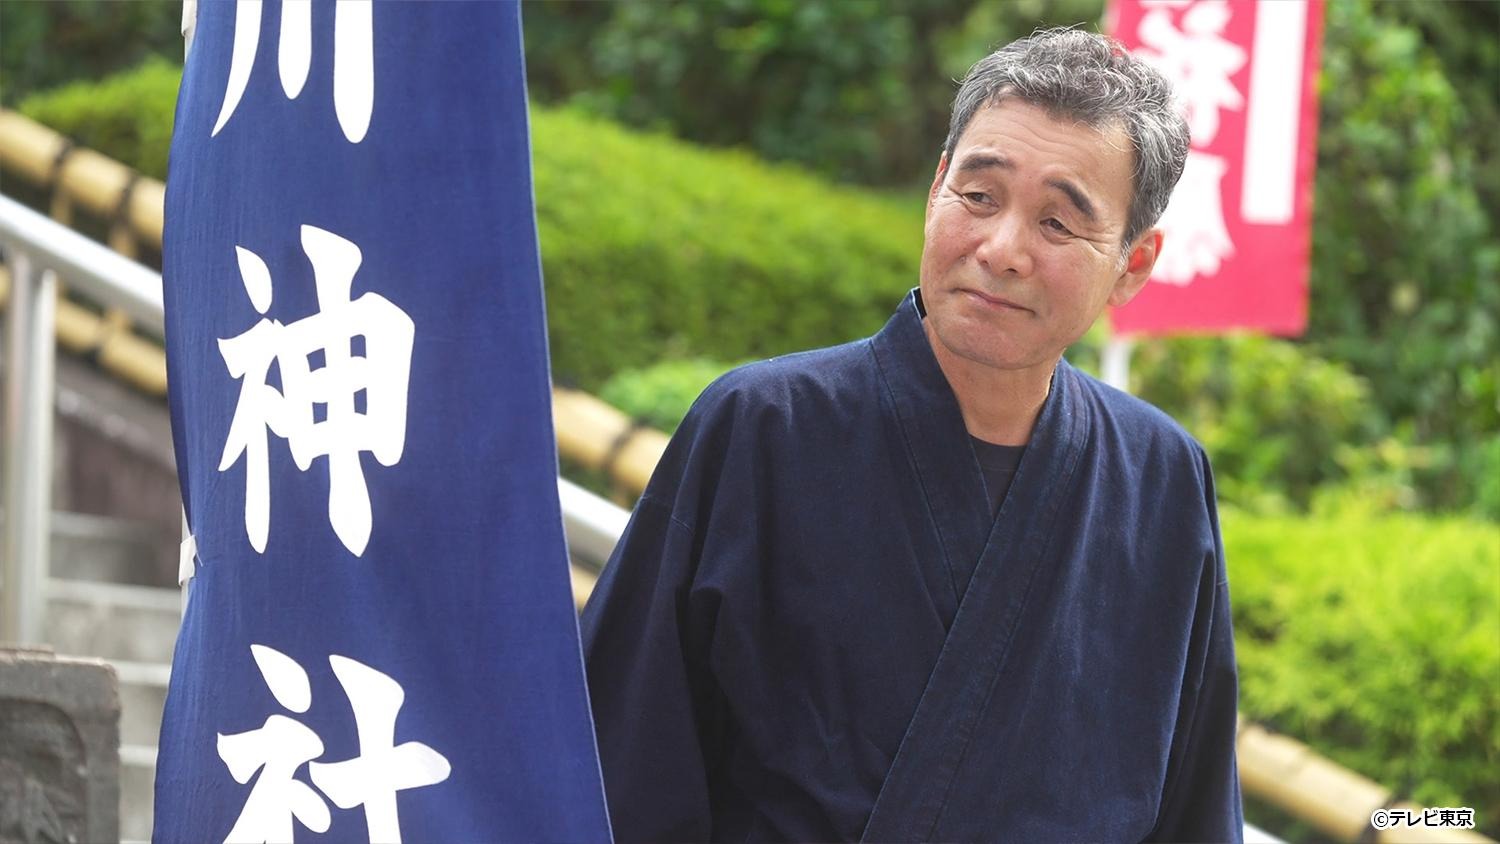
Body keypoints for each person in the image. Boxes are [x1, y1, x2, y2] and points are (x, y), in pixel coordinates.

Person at [581, 27, 1242, 843]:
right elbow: (618, 758)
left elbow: (1194, 807)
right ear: (936, 190)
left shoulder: (1162, 480)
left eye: (1059, 224)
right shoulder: (761, 428)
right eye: (980, 195)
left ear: (1134, 265)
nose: (1002, 250)